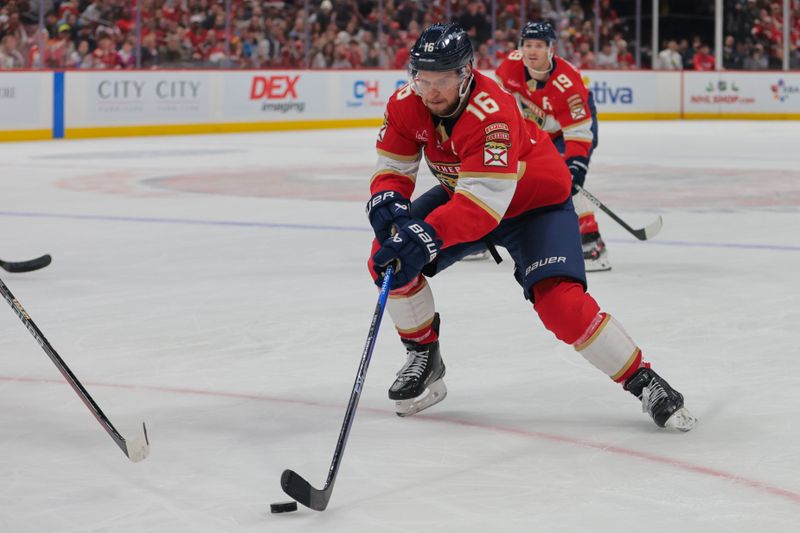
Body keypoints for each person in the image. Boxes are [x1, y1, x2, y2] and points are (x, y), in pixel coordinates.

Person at [365, 23, 696, 432]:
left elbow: (482, 209)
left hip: (533, 203)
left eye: (443, 80)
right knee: (389, 260)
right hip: (466, 190)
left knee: (560, 304)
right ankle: (423, 355)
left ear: (466, 72)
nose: (431, 91)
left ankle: (644, 381)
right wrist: (388, 202)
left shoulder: (493, 113)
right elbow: (394, 168)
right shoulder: (406, 102)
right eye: (422, 78)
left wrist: (428, 236)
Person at [495, 21, 609, 272]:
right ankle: (488, 231)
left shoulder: (569, 85)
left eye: (538, 45)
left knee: (567, 180)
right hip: (537, 131)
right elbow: (504, 103)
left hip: (571, 131)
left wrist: (575, 164)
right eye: (527, 45)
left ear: (551, 49)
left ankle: (592, 241)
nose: (532, 51)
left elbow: (578, 132)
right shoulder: (510, 67)